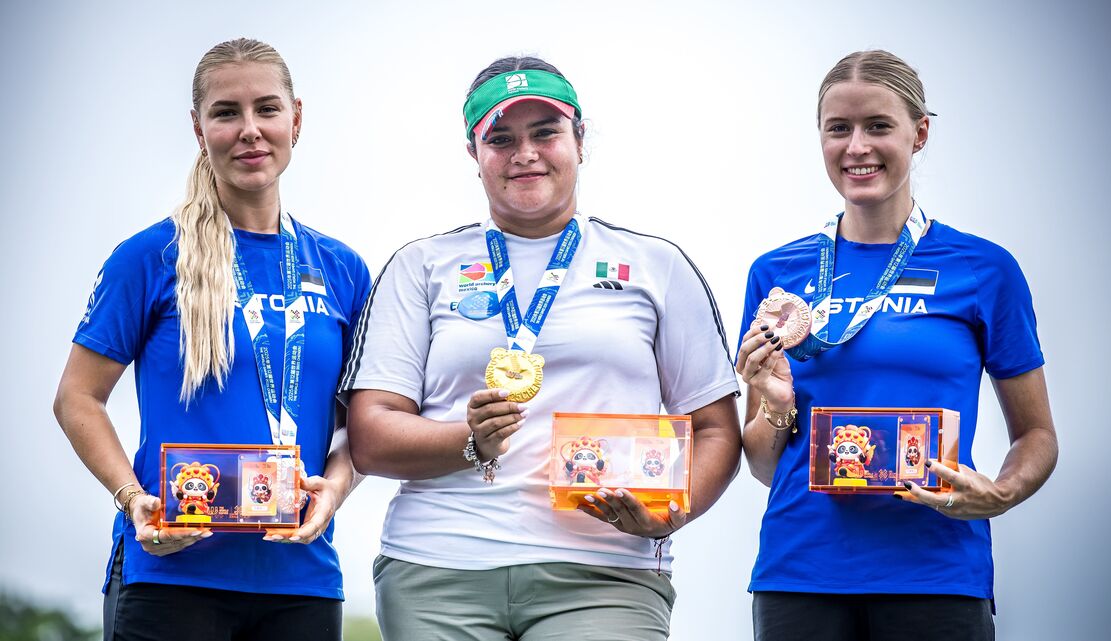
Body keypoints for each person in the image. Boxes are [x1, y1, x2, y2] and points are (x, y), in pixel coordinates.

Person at [341, 56, 741, 641]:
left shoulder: (658, 265)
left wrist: (669, 513)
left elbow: (714, 428)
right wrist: (469, 441)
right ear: (474, 154)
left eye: (545, 132)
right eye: (500, 139)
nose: (524, 153)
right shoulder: (420, 265)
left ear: (580, 140)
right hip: (439, 566)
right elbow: (372, 435)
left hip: (606, 573)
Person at [53, 38, 371, 640]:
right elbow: (77, 398)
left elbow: (363, 419)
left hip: (301, 581)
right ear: (199, 130)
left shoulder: (342, 269)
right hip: (172, 575)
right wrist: (131, 499)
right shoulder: (150, 256)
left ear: (296, 120)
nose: (250, 130)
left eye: (267, 109)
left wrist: (337, 484)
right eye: (226, 113)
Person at [736, 50, 1058, 641]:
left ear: (920, 133)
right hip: (799, 572)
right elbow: (761, 463)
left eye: (878, 126)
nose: (856, 147)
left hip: (936, 571)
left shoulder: (983, 269)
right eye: (839, 129)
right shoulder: (777, 274)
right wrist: (777, 403)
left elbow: (1037, 435)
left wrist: (1002, 492)